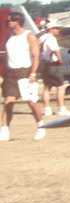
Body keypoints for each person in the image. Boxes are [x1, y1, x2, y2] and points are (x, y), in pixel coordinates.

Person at [2, 12, 45, 140]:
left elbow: (36, 57)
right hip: (10, 73)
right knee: (8, 102)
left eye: (10, 21)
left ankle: (41, 126)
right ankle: (4, 130)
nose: (8, 23)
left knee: (31, 102)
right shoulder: (9, 37)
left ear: (17, 22)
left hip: (25, 72)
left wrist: (33, 73)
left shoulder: (29, 36)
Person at [37, 23, 70, 117]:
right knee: (60, 86)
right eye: (57, 28)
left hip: (44, 64)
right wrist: (60, 59)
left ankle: (47, 109)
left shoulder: (42, 38)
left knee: (47, 87)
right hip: (53, 65)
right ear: (51, 29)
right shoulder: (51, 38)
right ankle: (61, 108)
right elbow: (55, 50)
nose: (58, 30)